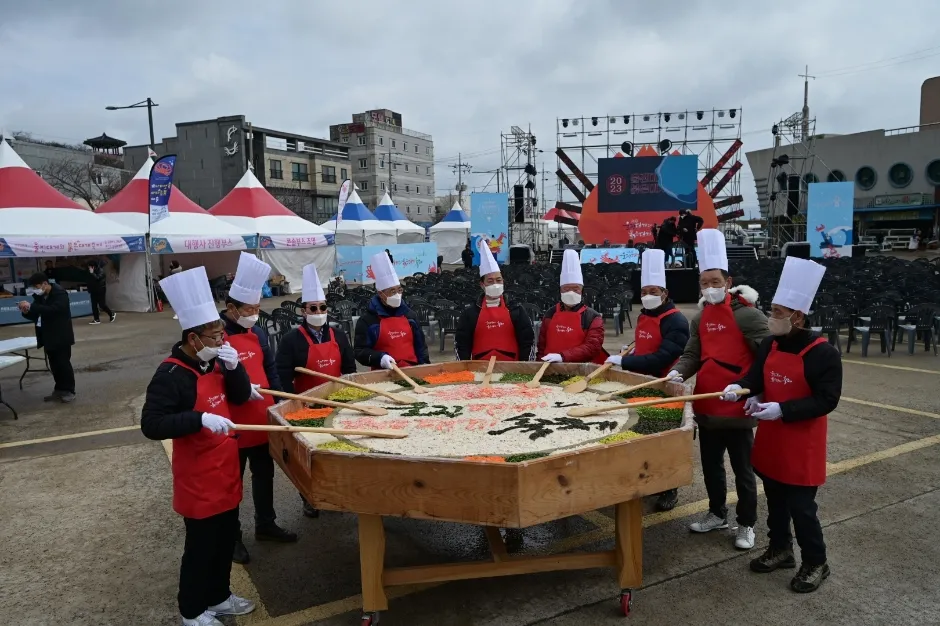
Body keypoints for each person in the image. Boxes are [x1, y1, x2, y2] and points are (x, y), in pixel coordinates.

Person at [140, 266, 256, 626]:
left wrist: (236, 369)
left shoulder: (216, 363)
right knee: (200, 548)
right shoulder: (171, 375)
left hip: (225, 471)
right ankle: (192, 610)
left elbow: (237, 398)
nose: (223, 340)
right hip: (198, 479)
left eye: (222, 334)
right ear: (194, 339)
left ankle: (219, 597)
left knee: (223, 542)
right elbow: (151, 425)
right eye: (216, 335)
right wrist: (198, 419)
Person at [721, 257, 841, 593]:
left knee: (802, 509)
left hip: (801, 444)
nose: (770, 316)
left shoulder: (823, 353)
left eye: (775, 312)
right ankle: (781, 549)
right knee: (774, 501)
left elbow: (827, 400)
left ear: (797, 316)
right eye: (771, 310)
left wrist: (783, 410)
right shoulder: (772, 343)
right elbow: (757, 376)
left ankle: (816, 562)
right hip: (772, 440)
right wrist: (742, 388)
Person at [669, 229, 769, 551]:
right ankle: (716, 513)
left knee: (743, 472)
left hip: (736, 409)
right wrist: (677, 372)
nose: (709, 288)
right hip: (707, 406)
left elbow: (767, 358)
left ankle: (747, 524)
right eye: (704, 282)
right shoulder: (700, 317)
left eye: (715, 281)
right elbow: (692, 355)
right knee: (712, 467)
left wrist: (750, 389)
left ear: (728, 282)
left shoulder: (749, 316)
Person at [220, 253, 297, 564]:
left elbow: (271, 369)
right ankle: (232, 537)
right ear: (231, 310)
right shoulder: (218, 337)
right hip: (233, 423)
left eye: (256, 309)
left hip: (262, 418)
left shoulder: (259, 332)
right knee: (232, 483)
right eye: (248, 310)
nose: (254, 315)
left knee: (264, 475)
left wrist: (280, 403)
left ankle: (266, 524)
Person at [609, 249, 690, 511]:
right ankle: (645, 480)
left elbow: (662, 357)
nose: (648, 296)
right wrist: (627, 351)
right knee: (641, 434)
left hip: (662, 387)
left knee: (664, 441)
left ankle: (669, 489)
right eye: (644, 292)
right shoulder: (645, 315)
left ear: (665, 294)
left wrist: (625, 362)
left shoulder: (675, 320)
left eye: (654, 291)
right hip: (639, 383)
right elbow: (645, 344)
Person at [276, 264, 356, 517]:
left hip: (335, 402)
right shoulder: (291, 340)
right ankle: (308, 496)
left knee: (337, 449)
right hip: (306, 406)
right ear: (303, 312)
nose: (319, 313)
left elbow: (350, 369)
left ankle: (336, 493)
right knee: (308, 454)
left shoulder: (339, 335)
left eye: (322, 308)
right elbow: (282, 376)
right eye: (313, 308)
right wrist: (290, 405)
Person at [456, 239, 534, 361]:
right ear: (482, 284)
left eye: (499, 280)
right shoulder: (470, 313)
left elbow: (527, 342)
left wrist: (524, 367)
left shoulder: (516, 310)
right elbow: (462, 345)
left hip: (512, 369)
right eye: (490, 281)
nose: (495, 284)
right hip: (479, 369)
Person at [355, 251, 429, 370]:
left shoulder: (410, 316)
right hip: (382, 374)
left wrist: (424, 367)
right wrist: (379, 358)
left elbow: (421, 347)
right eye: (392, 292)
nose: (397, 295)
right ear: (381, 294)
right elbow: (360, 351)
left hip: (411, 370)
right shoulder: (367, 320)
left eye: (399, 290)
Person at [537, 249, 606, 365]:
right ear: (560, 290)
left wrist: (562, 356)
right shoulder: (550, 313)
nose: (571, 293)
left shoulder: (592, 317)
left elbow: (592, 347)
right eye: (566, 289)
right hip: (549, 368)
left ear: (582, 290)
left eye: (575, 289)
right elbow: (542, 345)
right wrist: (538, 365)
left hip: (579, 370)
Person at [18, 273, 76, 403]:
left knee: (63, 363)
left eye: (36, 286)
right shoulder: (40, 297)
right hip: (47, 335)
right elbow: (36, 314)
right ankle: (59, 389)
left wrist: (32, 306)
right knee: (54, 364)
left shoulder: (60, 294)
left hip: (61, 335)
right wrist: (26, 310)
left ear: (45, 283)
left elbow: (55, 310)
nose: (35, 289)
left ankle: (69, 390)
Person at [86, 259, 115, 325]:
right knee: (94, 305)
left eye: (90, 267)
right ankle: (96, 319)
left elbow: (98, 278)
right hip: (93, 290)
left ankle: (111, 313)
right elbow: (89, 281)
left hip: (100, 290)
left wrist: (92, 273)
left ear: (93, 267)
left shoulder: (101, 271)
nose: (89, 268)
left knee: (102, 305)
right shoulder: (89, 272)